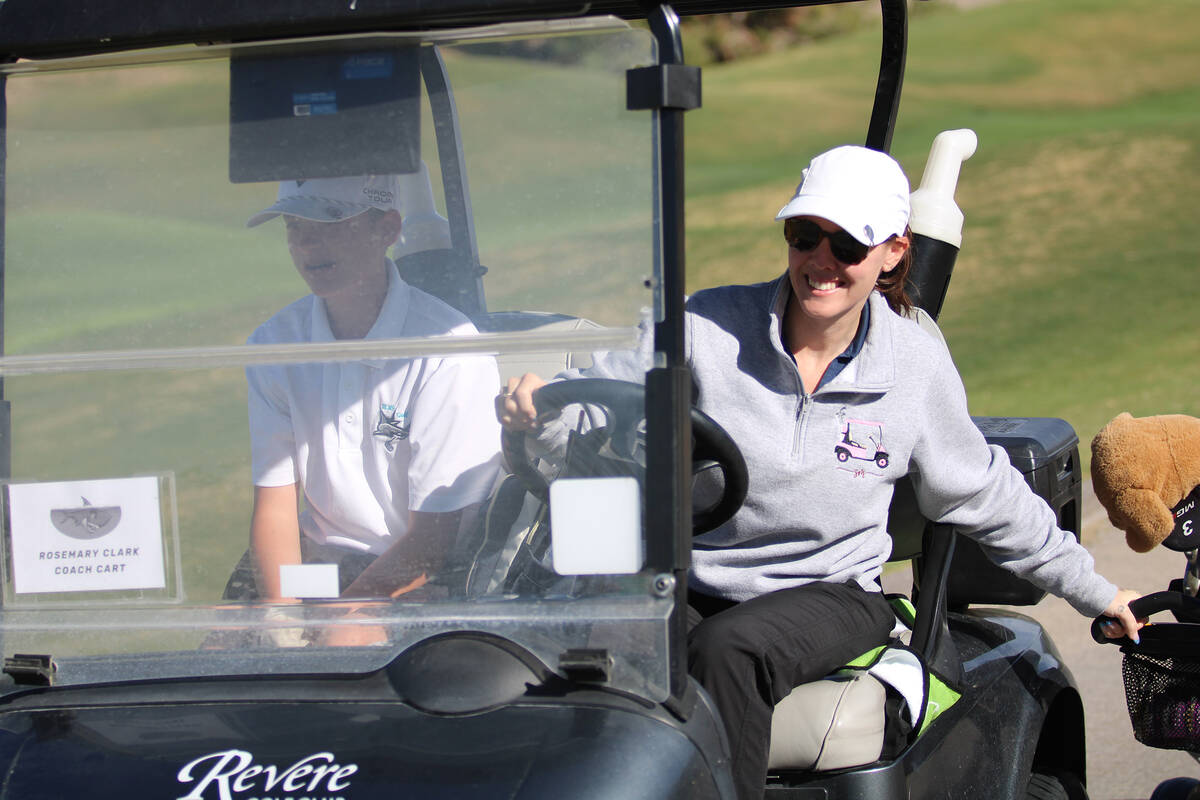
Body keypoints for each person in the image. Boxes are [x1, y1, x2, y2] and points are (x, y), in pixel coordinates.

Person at [496, 145, 1143, 799]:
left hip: (831, 591)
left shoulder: (912, 364)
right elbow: (589, 411)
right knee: (587, 641)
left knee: (730, 651)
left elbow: (982, 491)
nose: (821, 262)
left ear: (892, 252)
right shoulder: (702, 327)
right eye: (806, 237)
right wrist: (535, 414)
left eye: (847, 246)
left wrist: (1099, 592)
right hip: (693, 580)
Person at [241, 174, 501, 603]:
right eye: (294, 227)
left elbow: (433, 541)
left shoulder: (448, 351)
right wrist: (280, 619)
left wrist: (345, 617)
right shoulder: (274, 343)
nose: (307, 245)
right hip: (322, 565)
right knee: (226, 652)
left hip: (428, 579)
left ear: (388, 229)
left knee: (343, 649)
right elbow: (275, 507)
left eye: (330, 224)